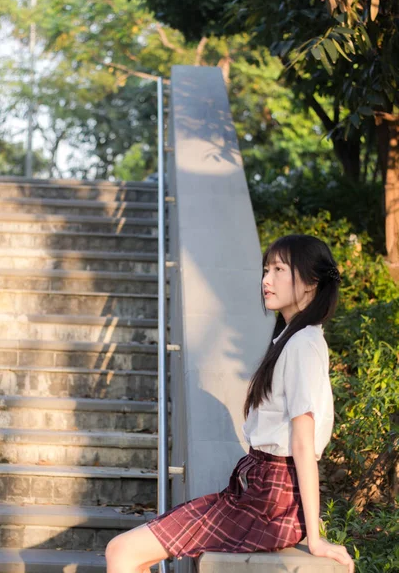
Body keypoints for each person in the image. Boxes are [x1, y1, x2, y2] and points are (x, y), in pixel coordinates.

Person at [105, 234, 355, 573]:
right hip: (258, 490)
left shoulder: (304, 344)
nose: (266, 280)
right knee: (130, 554)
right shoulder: (291, 339)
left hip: (271, 501)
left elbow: (302, 441)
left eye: (279, 269)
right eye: (266, 269)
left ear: (311, 283)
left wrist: (315, 538)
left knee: (121, 551)